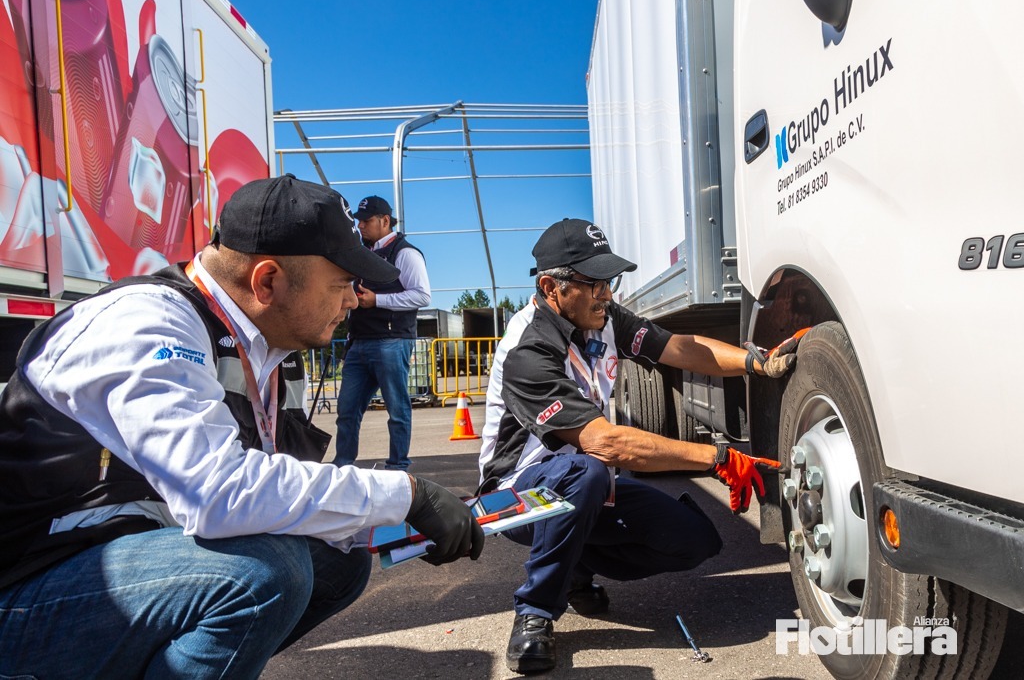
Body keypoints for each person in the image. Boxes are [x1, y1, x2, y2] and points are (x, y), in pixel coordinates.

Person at [0, 175, 484, 679]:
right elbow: (220, 493)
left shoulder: (272, 350)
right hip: (25, 584)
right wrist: (404, 494)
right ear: (267, 281)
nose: (351, 300)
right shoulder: (147, 323)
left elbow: (275, 484)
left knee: (338, 561)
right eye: (342, 284)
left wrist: (376, 525)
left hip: (114, 560)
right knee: (262, 571)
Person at [479, 218, 799, 674]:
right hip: (513, 497)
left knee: (694, 541)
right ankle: (535, 610)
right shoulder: (527, 350)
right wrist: (717, 457)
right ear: (551, 287)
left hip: (581, 485)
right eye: (593, 283)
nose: (606, 293)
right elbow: (605, 443)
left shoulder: (605, 320)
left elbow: (680, 348)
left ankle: (572, 568)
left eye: (609, 281)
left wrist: (754, 361)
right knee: (586, 473)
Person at [332, 195, 430, 471]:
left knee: (397, 411)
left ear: (385, 221)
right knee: (347, 411)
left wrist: (378, 300)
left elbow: (422, 296)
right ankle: (343, 466)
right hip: (359, 342)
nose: (360, 225)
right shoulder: (361, 252)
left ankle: (398, 466)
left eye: (366, 220)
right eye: (359, 221)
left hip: (391, 341)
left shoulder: (406, 252)